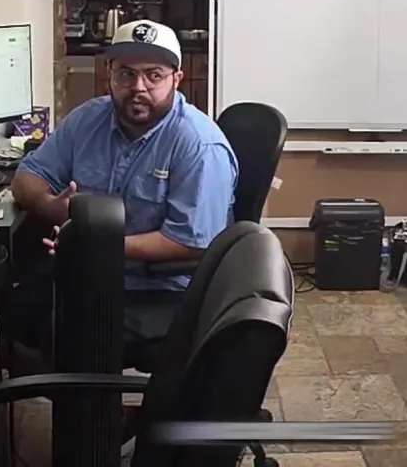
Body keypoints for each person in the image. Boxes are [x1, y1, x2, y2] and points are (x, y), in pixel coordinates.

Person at [12, 19, 238, 347]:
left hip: (162, 289)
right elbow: (27, 177)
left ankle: (75, 378)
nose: (138, 87)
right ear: (110, 75)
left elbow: (192, 242)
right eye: (126, 74)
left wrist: (93, 242)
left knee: (64, 333)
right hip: (88, 271)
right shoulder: (88, 119)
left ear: (177, 79)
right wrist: (49, 205)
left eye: (154, 75)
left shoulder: (200, 145)